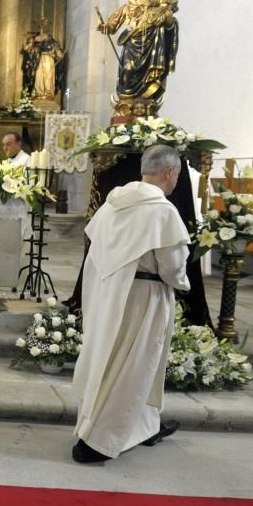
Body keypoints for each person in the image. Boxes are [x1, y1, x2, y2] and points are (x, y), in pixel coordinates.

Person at [71, 144, 190, 464]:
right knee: (134, 366)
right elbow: (173, 267)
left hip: (111, 294)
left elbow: (94, 252)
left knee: (113, 361)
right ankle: (97, 442)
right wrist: (181, 282)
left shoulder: (112, 206)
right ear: (169, 173)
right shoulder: (163, 212)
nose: (176, 179)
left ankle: (145, 426)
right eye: (177, 174)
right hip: (144, 299)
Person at [97, 0, 178, 116]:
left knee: (149, 82)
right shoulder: (128, 6)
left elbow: (169, 27)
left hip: (152, 47)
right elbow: (112, 25)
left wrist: (168, 20)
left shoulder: (159, 4)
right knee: (127, 73)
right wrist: (105, 26)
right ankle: (126, 109)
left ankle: (146, 107)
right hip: (132, 47)